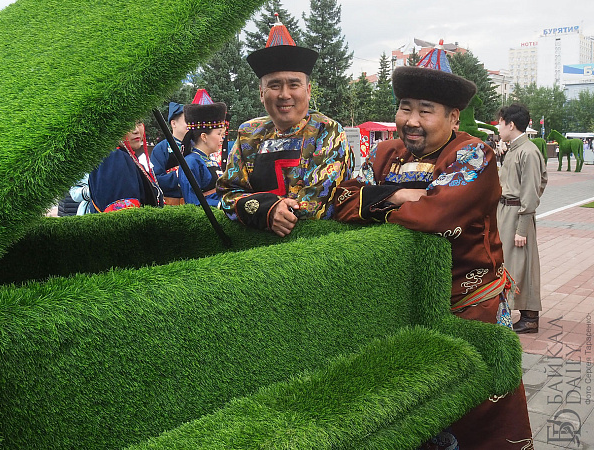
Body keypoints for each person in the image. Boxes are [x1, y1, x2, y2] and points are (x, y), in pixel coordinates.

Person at [333, 65, 533, 448]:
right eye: (404, 107)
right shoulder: (383, 152)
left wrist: (377, 201)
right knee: (413, 418)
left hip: (469, 306)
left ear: (453, 117)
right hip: (402, 311)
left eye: (425, 110)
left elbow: (434, 217)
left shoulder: (473, 154)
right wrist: (399, 195)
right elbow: (341, 200)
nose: (411, 120)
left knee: (480, 418)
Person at [216, 15, 353, 237]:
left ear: (308, 90)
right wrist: (267, 210)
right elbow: (227, 194)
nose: (284, 94)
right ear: (262, 93)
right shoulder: (249, 134)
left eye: (294, 84)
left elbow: (316, 204)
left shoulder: (328, 131)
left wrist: (269, 211)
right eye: (274, 85)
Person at [497, 104, 548, 334]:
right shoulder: (515, 149)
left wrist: (522, 228)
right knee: (510, 263)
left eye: (500, 123)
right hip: (507, 212)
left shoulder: (528, 151)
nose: (498, 128)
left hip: (517, 214)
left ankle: (529, 317)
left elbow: (531, 189)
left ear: (511, 124)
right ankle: (513, 311)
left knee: (522, 264)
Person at [89, 122, 164, 212]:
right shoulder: (114, 158)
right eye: (128, 123)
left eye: (139, 123)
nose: (136, 130)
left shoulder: (128, 156)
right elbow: (123, 216)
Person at [178, 101, 227, 207]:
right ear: (204, 137)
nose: (222, 139)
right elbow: (193, 202)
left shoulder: (210, 160)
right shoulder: (191, 162)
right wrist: (220, 205)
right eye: (219, 134)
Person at [150, 102, 189, 205]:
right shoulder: (161, 149)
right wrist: (179, 174)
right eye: (187, 120)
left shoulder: (196, 146)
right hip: (172, 205)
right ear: (173, 123)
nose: (190, 124)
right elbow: (156, 180)